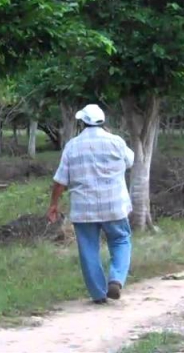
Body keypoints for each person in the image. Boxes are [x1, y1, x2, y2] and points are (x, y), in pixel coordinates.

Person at [47, 104, 135, 304]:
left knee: (88, 249)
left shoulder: (72, 146)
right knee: (120, 240)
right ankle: (116, 279)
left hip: (83, 208)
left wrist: (54, 204)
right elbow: (130, 161)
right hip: (114, 205)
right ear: (103, 122)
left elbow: (60, 181)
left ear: (82, 122)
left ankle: (98, 294)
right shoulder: (117, 142)